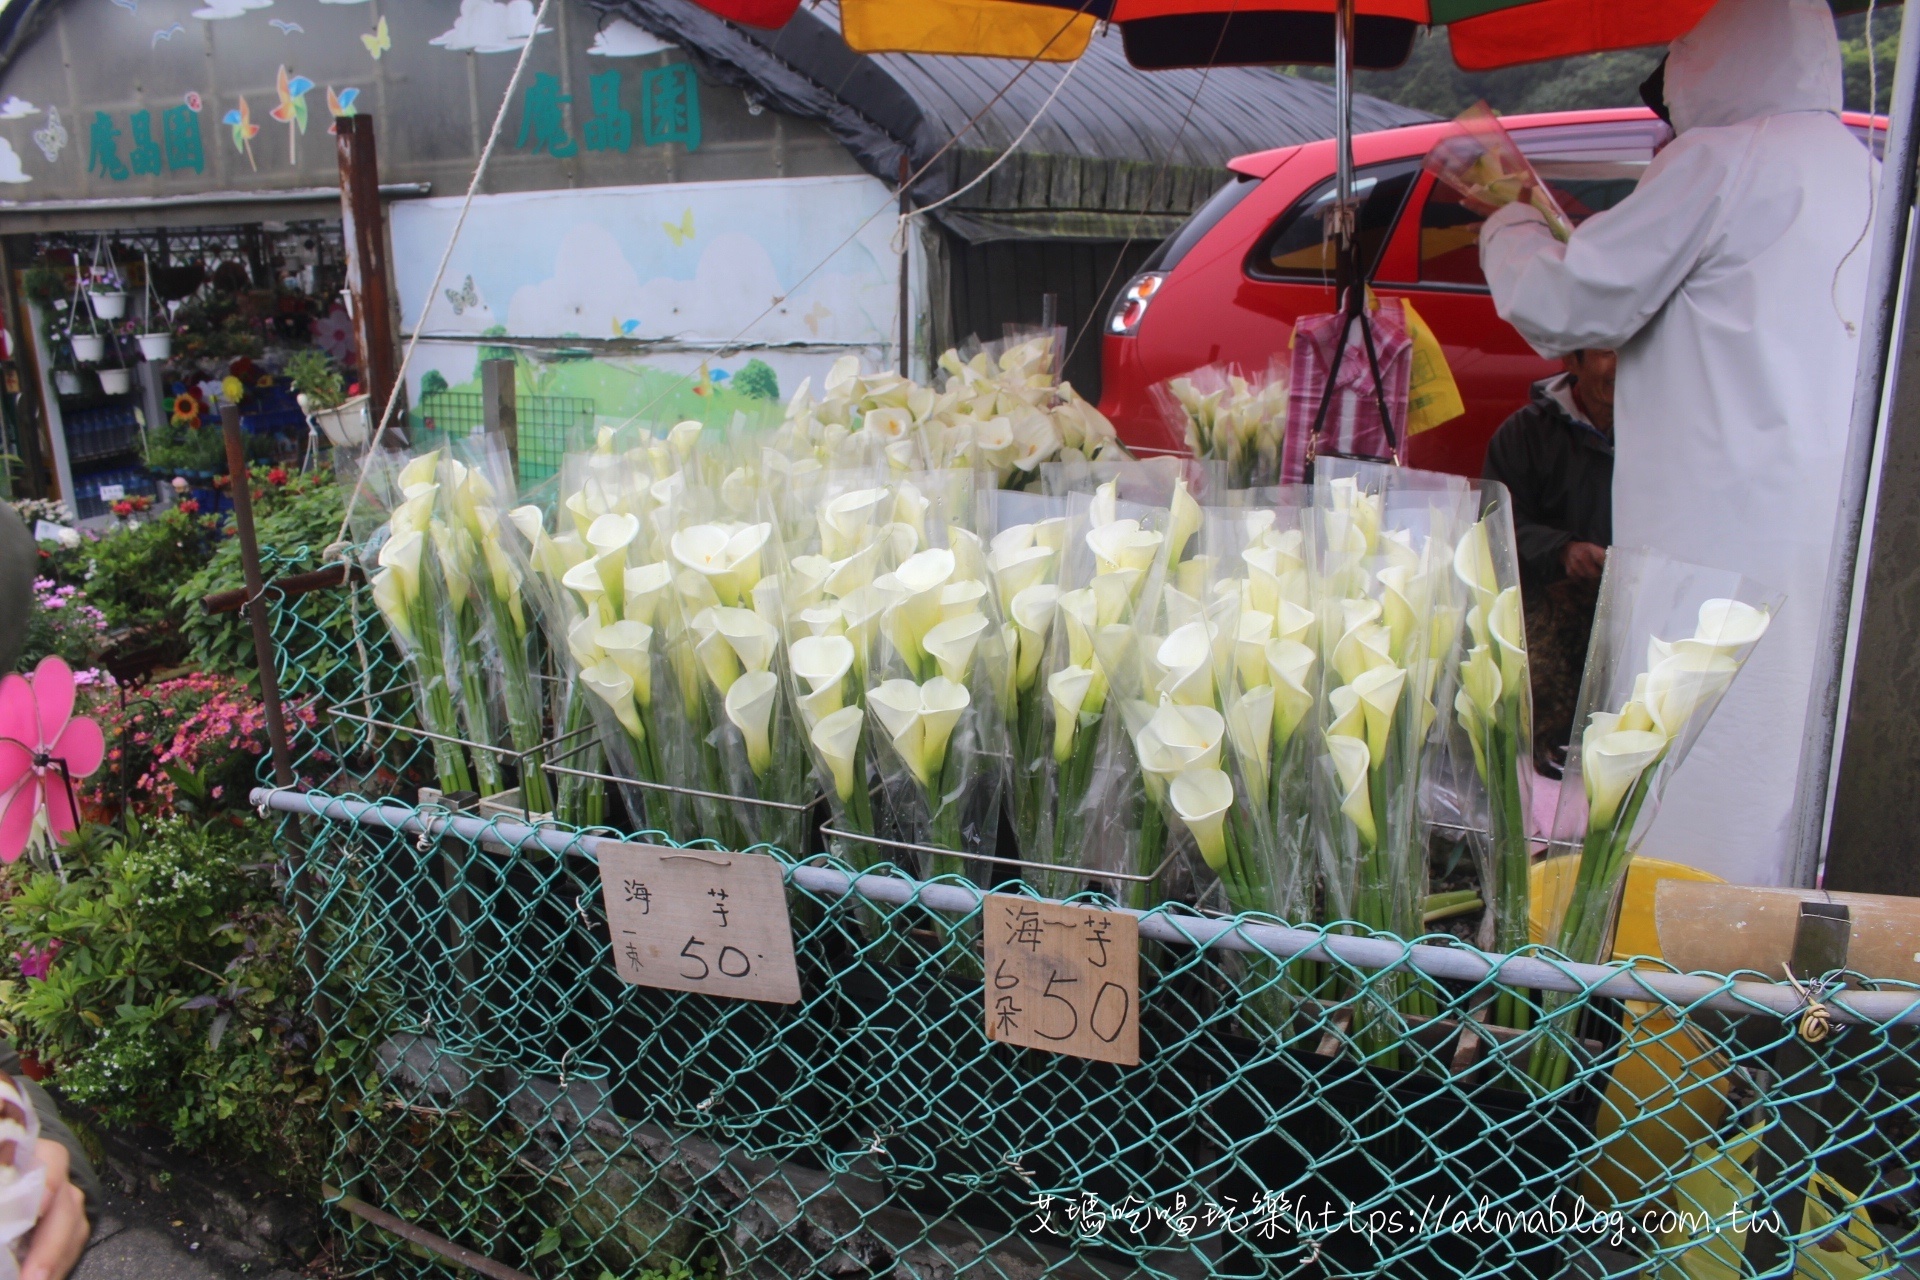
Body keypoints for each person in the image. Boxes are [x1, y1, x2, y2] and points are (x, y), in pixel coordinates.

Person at [1477, 0, 1871, 887]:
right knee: (1796, 749)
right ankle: (1789, 965)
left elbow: (1567, 302)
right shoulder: (1866, 171)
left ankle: (1690, 980)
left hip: (1714, 532)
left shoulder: (1721, 165)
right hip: (1832, 531)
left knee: (1695, 754)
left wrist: (1509, 218)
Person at [1482, 349, 1615, 774]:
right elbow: (1495, 522)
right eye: (1608, 354)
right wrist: (1562, 549)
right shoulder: (1524, 434)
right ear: (1573, 361)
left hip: (1629, 607)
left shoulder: (1663, 436)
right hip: (1548, 607)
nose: (1622, 369)